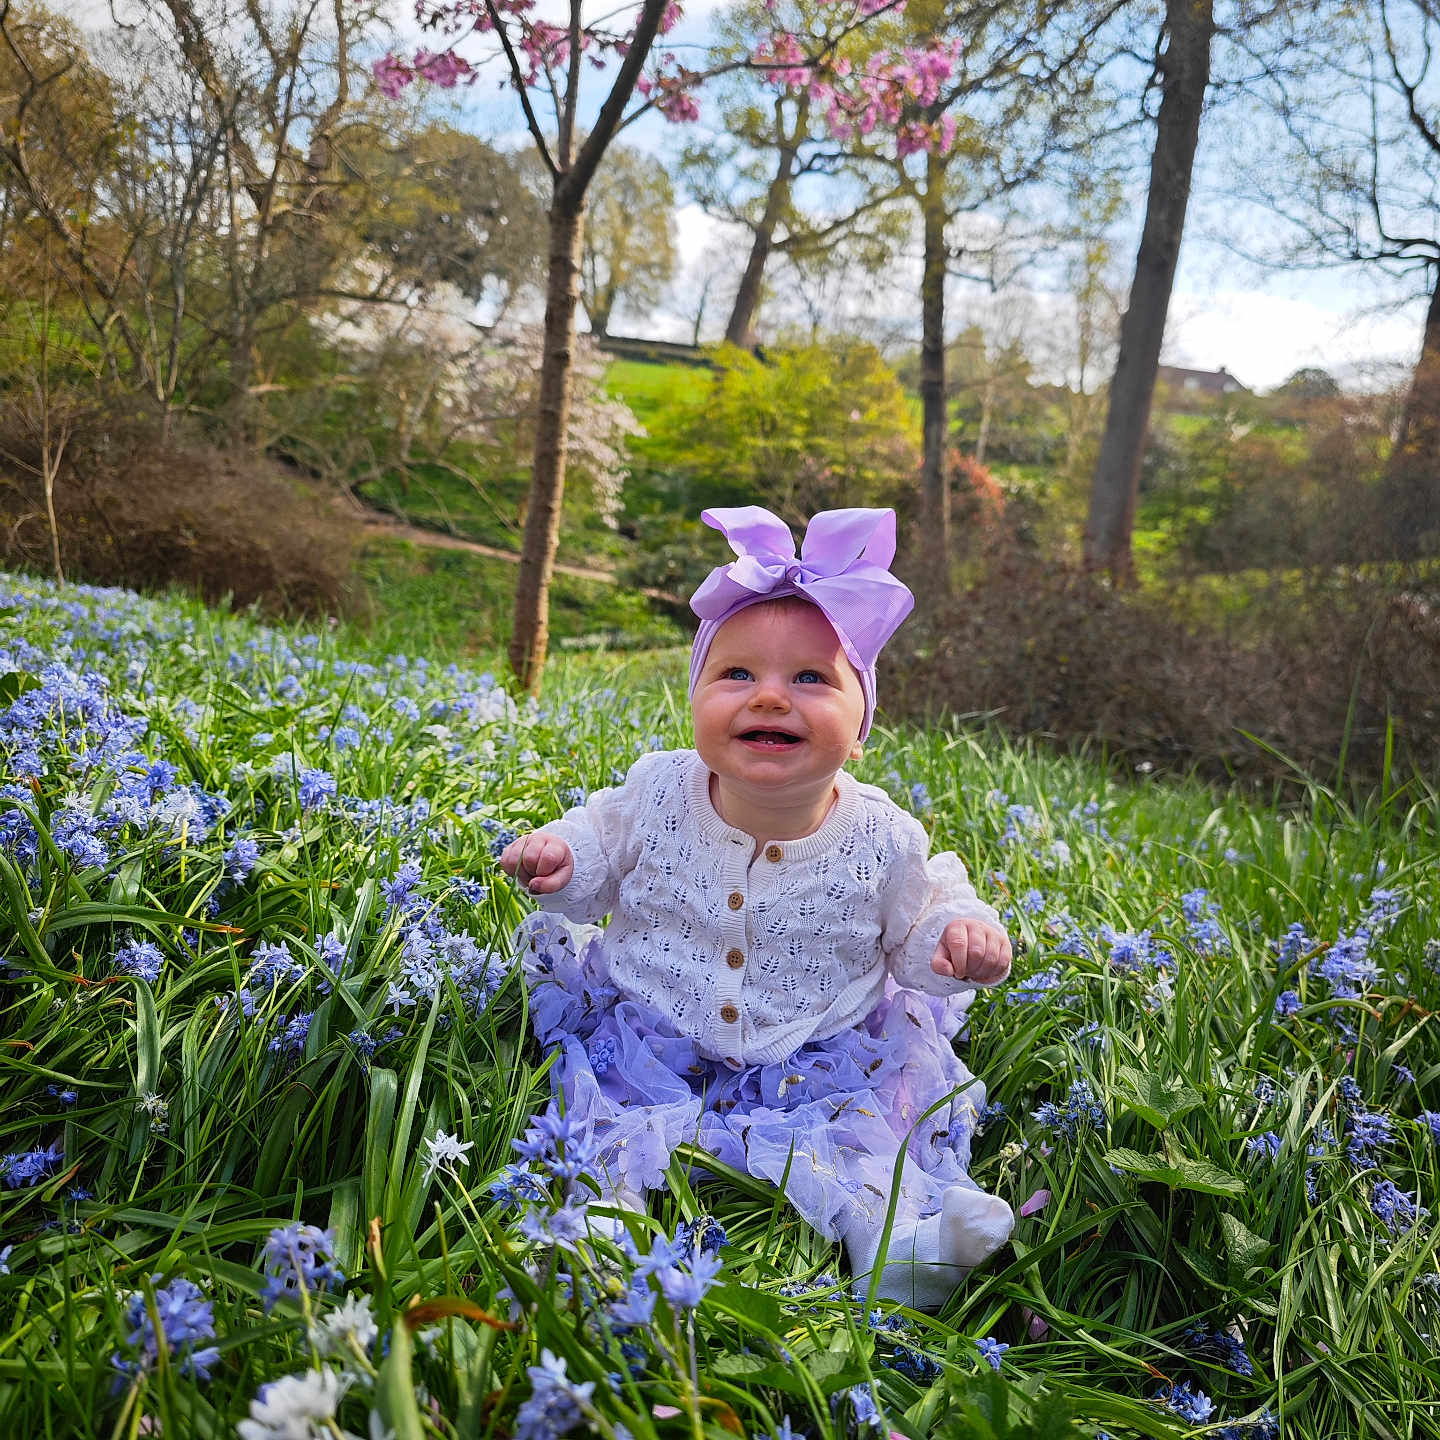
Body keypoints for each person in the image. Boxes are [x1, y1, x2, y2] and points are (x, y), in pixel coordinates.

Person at [499, 505, 1015, 1310]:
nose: (770, 697)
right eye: (736, 675)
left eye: (811, 679)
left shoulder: (883, 835)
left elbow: (921, 928)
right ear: (697, 696)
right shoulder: (658, 789)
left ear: (862, 721)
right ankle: (603, 1223)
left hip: (813, 1046)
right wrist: (561, 861)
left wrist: (957, 941)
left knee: (859, 1140)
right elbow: (594, 850)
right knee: (607, 1110)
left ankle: (896, 1251)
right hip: (653, 1026)